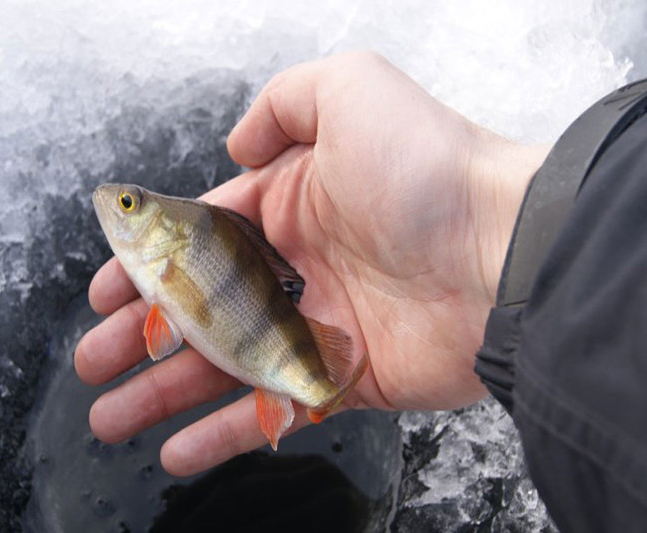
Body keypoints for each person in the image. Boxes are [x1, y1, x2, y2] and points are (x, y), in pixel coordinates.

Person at [74, 51, 647, 531]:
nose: (118, 201)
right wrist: (492, 225)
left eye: (131, 203)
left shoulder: (184, 242)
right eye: (131, 200)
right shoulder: (178, 246)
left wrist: (487, 222)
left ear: (159, 227)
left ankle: (311, 385)